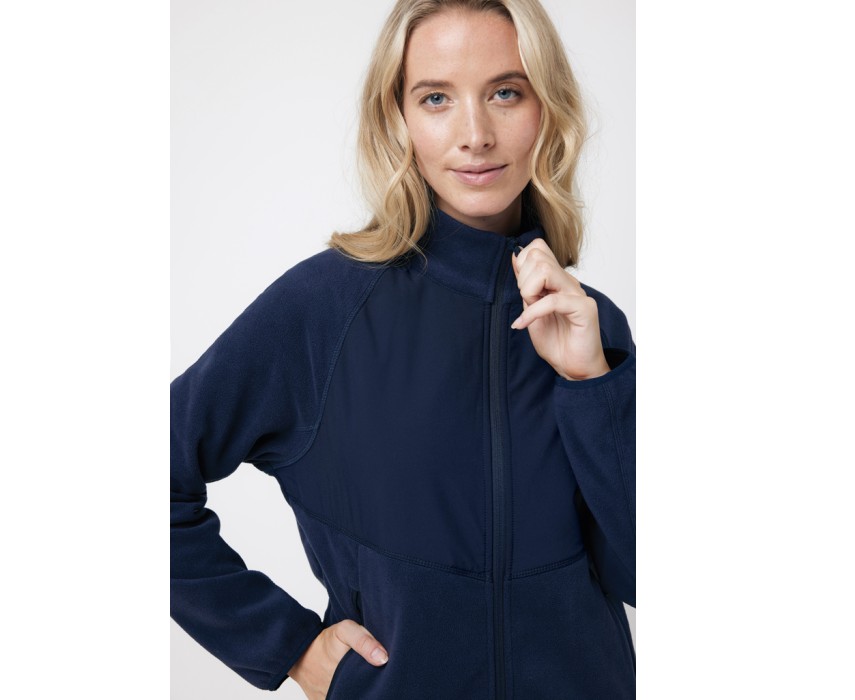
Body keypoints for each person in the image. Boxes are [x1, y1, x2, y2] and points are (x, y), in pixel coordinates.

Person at [171, 0, 635, 697]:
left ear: (548, 110)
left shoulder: (589, 327)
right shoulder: (324, 309)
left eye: (506, 93)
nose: (475, 135)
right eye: (436, 98)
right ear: (398, 119)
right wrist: (290, 647)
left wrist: (591, 383)